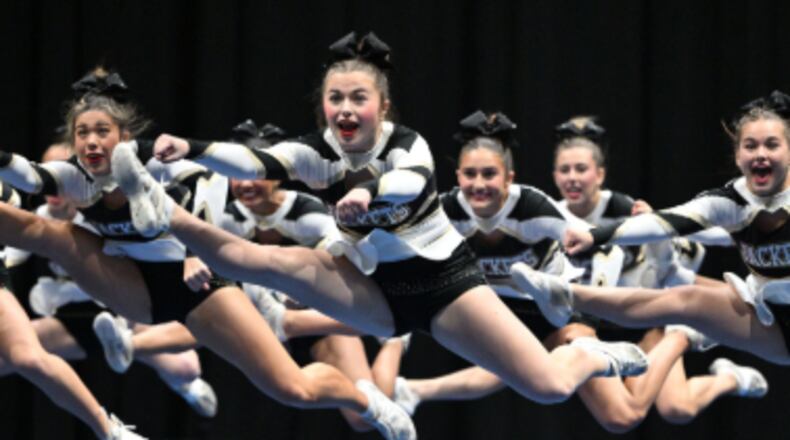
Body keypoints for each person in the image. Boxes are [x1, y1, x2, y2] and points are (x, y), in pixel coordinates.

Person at [115, 32, 648, 410]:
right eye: (335, 98)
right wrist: (193, 148)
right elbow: (258, 162)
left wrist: (366, 194)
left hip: (444, 285)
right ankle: (167, 214)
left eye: (358, 99)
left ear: (382, 107)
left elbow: (409, 183)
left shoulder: (406, 144)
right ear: (322, 105)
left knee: (550, 387)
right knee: (261, 263)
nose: (345, 109)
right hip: (374, 291)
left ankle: (594, 356)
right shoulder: (316, 151)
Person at [0, 68, 415, 440]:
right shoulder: (73, 177)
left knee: (293, 389)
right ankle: (121, 374)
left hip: (196, 283)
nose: (91, 141)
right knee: (50, 232)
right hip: (135, 288)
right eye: (82, 133)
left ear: (124, 137)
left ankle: (366, 402)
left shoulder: (151, 158)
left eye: (102, 131)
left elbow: (207, 182)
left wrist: (194, 252)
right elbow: (27, 175)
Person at [511, 91, 790, 375]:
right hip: (771, 324)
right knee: (683, 300)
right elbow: (667, 222)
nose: (761, 154)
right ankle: (566, 295)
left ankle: (702, 345)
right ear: (738, 154)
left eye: (772, 145)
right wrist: (595, 235)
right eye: (750, 146)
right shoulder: (732, 200)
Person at [2, 142, 218, 418]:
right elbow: (10, 259)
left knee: (186, 368)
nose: (51, 180)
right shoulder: (38, 218)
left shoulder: (98, 214)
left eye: (58, 172)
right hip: (72, 318)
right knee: (9, 350)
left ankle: (184, 385)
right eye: (44, 172)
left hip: (121, 311)